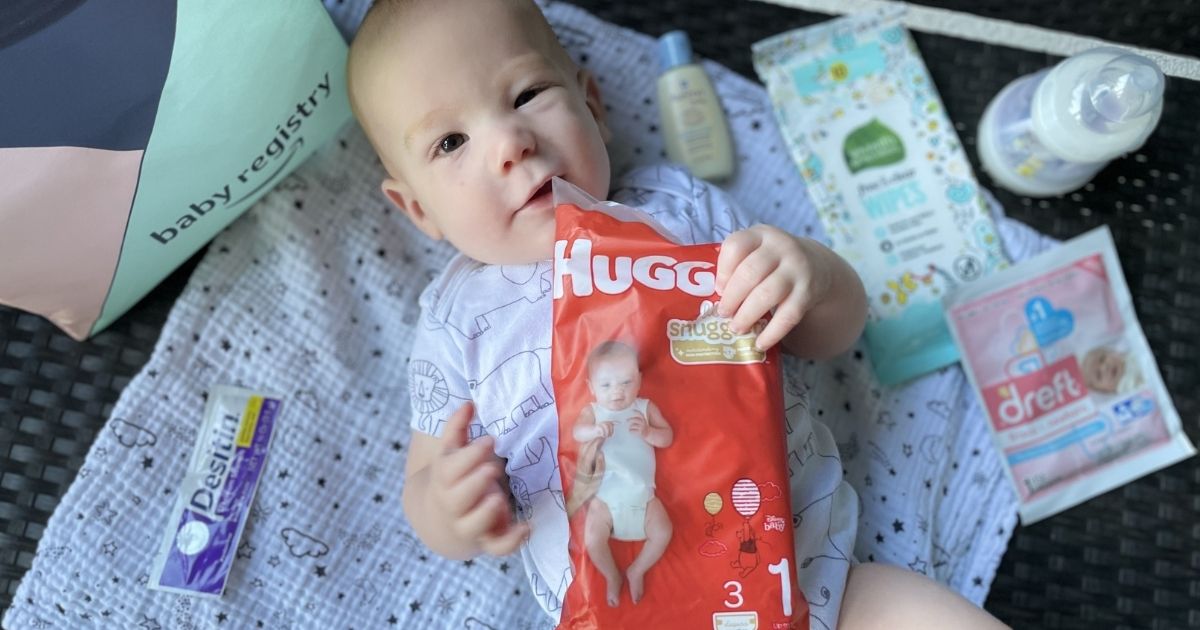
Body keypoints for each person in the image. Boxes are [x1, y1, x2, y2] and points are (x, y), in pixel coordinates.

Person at [345, 0, 1009, 627]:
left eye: (526, 96)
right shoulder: (457, 318)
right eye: (451, 142)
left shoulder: (676, 211)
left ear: (593, 105)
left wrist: (809, 275)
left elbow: (834, 332)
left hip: (817, 583)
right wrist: (448, 507)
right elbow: (423, 486)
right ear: (417, 211)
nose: (509, 143)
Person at [572, 341, 673, 607]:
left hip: (643, 496)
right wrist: (593, 431)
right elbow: (577, 432)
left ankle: (637, 569)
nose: (617, 391)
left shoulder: (644, 408)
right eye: (606, 385)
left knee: (663, 532)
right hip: (605, 497)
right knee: (593, 540)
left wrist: (649, 433)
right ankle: (612, 576)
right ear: (591, 387)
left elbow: (667, 436)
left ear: (639, 380)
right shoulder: (593, 411)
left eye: (626, 382)